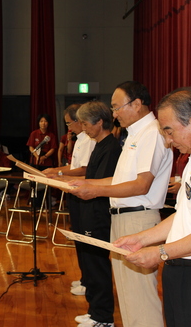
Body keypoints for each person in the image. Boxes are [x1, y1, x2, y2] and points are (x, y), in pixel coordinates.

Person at [114, 87, 191, 327]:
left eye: (169, 132)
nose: (168, 141)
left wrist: (160, 252)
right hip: (184, 270)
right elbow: (184, 215)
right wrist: (141, 239)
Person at [68, 81, 173, 327]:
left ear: (136, 104)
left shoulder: (151, 133)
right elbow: (120, 180)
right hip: (122, 217)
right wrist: (89, 185)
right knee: (127, 294)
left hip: (137, 218)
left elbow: (141, 185)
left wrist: (95, 190)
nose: (113, 114)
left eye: (117, 107)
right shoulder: (133, 135)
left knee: (140, 297)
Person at [72, 101, 121, 327]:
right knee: (89, 264)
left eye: (85, 123)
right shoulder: (99, 144)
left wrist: (70, 182)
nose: (83, 128)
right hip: (89, 211)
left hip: (99, 214)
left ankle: (103, 317)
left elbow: (100, 183)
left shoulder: (111, 147)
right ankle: (94, 311)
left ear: (100, 122)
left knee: (97, 265)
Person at [43, 104, 96, 297]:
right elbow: (75, 166)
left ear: (79, 121)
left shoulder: (88, 141)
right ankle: (84, 278)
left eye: (69, 123)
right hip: (74, 191)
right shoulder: (79, 139)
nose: (68, 128)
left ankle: (89, 281)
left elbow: (83, 169)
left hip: (83, 192)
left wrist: (58, 172)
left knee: (85, 240)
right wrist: (59, 171)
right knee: (78, 238)